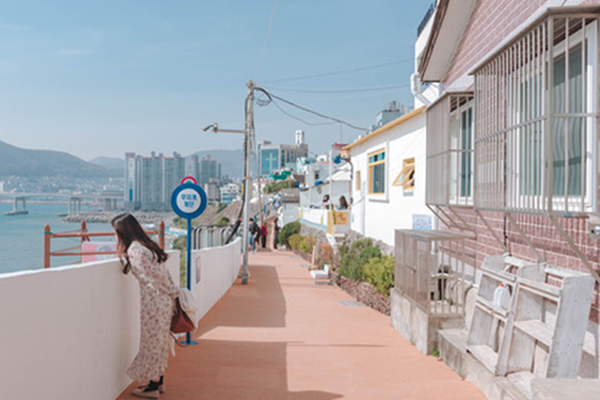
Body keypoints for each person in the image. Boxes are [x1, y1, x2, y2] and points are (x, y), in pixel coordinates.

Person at [111, 213, 179, 399]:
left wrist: (171, 290)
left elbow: (153, 277)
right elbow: (163, 273)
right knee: (160, 341)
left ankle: (153, 386)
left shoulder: (135, 250)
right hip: (163, 300)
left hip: (153, 301)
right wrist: (173, 292)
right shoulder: (149, 246)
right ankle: (158, 382)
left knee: (151, 342)